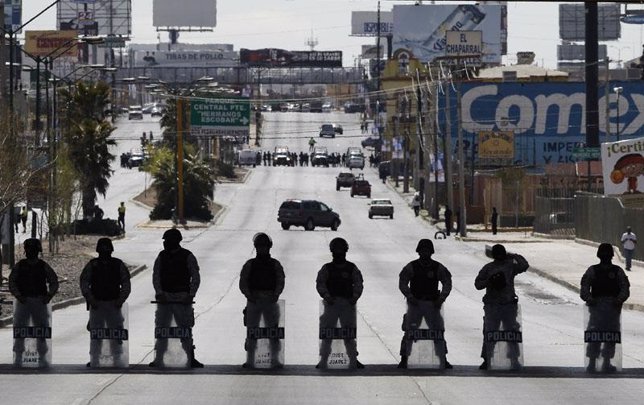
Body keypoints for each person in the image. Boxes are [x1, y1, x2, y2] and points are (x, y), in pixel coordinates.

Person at [150, 228, 203, 368]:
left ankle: (190, 358)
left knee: (185, 330)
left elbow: (195, 276)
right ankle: (159, 358)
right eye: (165, 241)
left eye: (168, 240)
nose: (165, 243)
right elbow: (156, 276)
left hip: (182, 298)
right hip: (165, 298)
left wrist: (191, 295)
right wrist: (159, 293)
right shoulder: (161, 256)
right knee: (162, 330)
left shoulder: (187, 256)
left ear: (176, 241)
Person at [398, 239, 452, 369]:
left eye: (427, 250)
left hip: (432, 304)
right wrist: (410, 296)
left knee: (437, 332)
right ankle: (404, 358)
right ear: (418, 251)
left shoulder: (437, 267)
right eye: (423, 250)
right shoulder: (412, 266)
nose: (425, 253)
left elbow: (447, 282)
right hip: (415, 304)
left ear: (431, 252)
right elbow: (402, 282)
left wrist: (441, 298)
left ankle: (442, 358)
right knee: (410, 332)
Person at [475, 244, 529, 370]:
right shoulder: (488, 268)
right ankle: (487, 358)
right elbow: (478, 284)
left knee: (511, 333)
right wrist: (489, 281)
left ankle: (514, 359)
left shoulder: (509, 266)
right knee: (490, 333)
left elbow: (524, 265)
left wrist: (512, 255)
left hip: (508, 304)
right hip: (493, 305)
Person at [80, 238, 131, 366]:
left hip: (114, 304)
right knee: (97, 334)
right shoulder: (93, 265)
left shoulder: (117, 264)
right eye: (103, 250)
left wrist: (120, 300)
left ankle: (117, 358)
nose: (105, 252)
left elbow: (126, 284)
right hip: (98, 305)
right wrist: (91, 299)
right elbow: (84, 282)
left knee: (116, 335)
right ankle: (95, 359)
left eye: (106, 250)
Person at [9, 238, 59, 367]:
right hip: (24, 302)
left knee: (41, 332)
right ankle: (19, 356)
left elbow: (54, 281)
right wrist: (19, 296)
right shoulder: (20, 265)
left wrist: (48, 296)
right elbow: (12, 282)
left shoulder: (42, 266)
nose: (32, 252)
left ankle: (42, 356)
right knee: (21, 331)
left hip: (38, 301)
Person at [580, 243, 630, 373]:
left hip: (611, 309)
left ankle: (605, 363)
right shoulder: (594, 270)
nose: (606, 257)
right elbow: (585, 287)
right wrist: (590, 300)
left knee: (609, 336)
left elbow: (624, 288)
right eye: (604, 255)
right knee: (596, 335)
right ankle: (592, 363)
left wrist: (618, 300)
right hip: (598, 308)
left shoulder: (616, 271)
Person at [316, 237, 364, 369]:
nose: (338, 253)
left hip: (347, 305)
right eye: (336, 251)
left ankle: (353, 358)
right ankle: (324, 359)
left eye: (340, 251)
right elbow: (320, 284)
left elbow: (359, 283)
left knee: (349, 334)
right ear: (332, 252)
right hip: (332, 304)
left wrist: (354, 297)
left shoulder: (351, 268)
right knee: (328, 334)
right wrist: (327, 296)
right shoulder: (327, 268)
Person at [239, 233, 285, 368]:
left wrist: (275, 295)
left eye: (264, 246)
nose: (262, 249)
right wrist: (249, 296)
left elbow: (280, 280)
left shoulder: (275, 264)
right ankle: (250, 359)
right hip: (254, 300)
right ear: (256, 247)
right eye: (260, 246)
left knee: (273, 332)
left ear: (269, 247)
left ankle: (275, 359)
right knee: (252, 332)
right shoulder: (250, 264)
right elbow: (243, 282)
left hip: (270, 300)